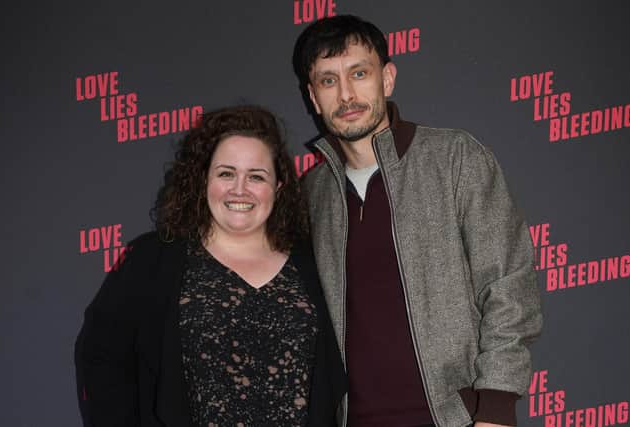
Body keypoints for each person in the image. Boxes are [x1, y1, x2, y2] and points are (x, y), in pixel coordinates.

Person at [293, 15, 542, 427]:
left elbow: (508, 283)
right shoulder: (312, 194)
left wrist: (496, 408)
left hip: (459, 419)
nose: (347, 94)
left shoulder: (455, 158)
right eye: (328, 80)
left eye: (359, 73)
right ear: (313, 97)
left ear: (387, 79)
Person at [74, 105, 346, 427]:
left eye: (256, 176)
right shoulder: (152, 260)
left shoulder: (315, 263)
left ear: (279, 187)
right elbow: (102, 359)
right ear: (205, 179)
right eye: (226, 173)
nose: (239, 189)